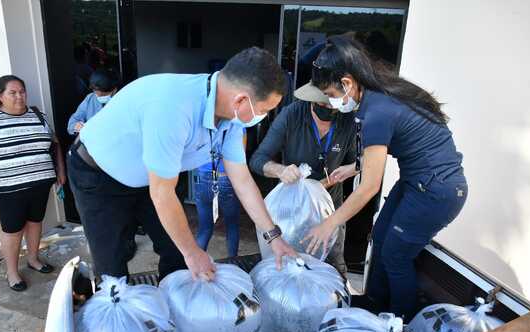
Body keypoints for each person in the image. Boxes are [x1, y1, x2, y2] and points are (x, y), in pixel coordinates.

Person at [67, 47, 297, 281]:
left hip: (149, 178)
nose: (264, 116)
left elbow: (243, 182)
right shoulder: (174, 107)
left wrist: (274, 237)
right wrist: (192, 252)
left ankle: (177, 303)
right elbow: (162, 193)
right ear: (240, 100)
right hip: (97, 174)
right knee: (112, 265)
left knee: (176, 252)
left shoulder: (232, 121)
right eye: (264, 110)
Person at [303, 35, 468, 320]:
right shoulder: (380, 93)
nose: (330, 102)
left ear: (347, 83)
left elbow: (369, 188)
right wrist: (355, 167)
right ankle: (373, 302)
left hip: (437, 192)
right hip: (418, 182)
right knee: (379, 237)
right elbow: (394, 143)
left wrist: (329, 223)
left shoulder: (376, 111)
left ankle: (398, 324)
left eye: (330, 94)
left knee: (396, 256)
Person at [0, 75, 66, 291]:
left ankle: (33, 258)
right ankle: (12, 272)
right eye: (13, 92)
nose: (19, 96)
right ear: (0, 95)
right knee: (12, 229)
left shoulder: (38, 115)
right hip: (8, 188)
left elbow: (55, 143)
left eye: (22, 91)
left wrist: (60, 171)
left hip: (40, 183)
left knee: (35, 222)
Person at [249, 83, 358, 275]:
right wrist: (280, 170)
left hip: (330, 207)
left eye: (334, 105)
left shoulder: (348, 120)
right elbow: (258, 160)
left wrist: (351, 169)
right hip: (292, 210)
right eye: (323, 105)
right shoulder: (292, 115)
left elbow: (359, 162)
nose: (330, 109)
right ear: (311, 100)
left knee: (334, 264)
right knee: (290, 264)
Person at [67, 69, 140, 261]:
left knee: (125, 208)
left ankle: (128, 241)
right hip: (95, 165)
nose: (99, 96)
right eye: (96, 92)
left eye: (103, 93)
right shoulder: (90, 100)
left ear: (114, 89)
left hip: (121, 164)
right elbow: (72, 122)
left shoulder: (127, 101)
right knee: (105, 209)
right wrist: (80, 127)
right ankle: (112, 246)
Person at [193, 129, 246, 258]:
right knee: (232, 225)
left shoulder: (201, 123)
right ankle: (233, 262)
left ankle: (197, 268)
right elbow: (240, 157)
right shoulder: (237, 126)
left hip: (201, 177)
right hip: (225, 178)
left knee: (204, 228)